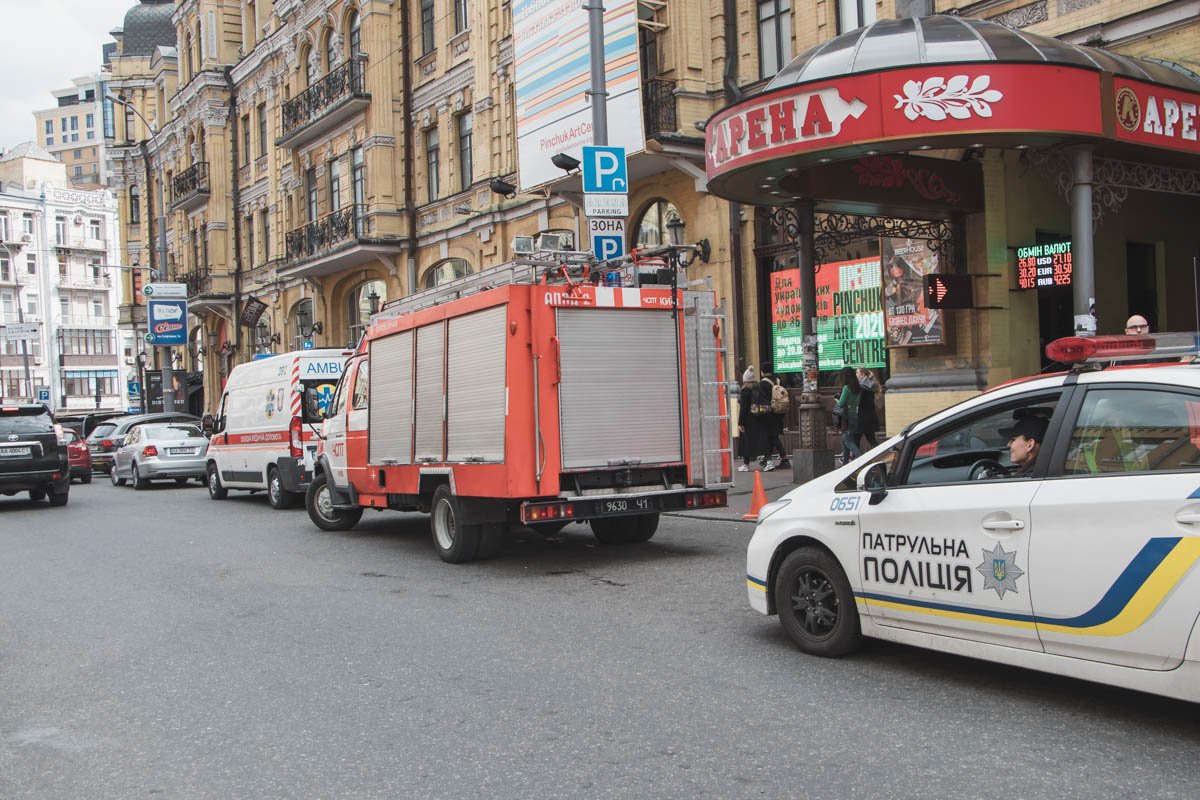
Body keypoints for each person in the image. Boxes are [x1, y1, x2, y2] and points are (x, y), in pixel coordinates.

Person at [737, 367, 771, 471]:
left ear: (745, 380)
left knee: (746, 442)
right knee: (763, 441)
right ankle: (769, 462)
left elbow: (743, 408)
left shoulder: (745, 391)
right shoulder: (759, 387)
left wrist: (740, 423)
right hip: (761, 418)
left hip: (748, 420)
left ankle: (746, 464)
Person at [761, 373, 790, 469]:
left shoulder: (763, 384)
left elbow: (763, 400)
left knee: (772, 437)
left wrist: (760, 414)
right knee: (773, 437)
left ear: (762, 372)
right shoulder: (777, 381)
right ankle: (767, 458)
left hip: (769, 415)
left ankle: (783, 458)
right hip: (779, 414)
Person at [834, 366, 862, 464]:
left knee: (849, 441)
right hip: (855, 416)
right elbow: (857, 402)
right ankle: (845, 464)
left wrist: (837, 400)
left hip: (846, 418)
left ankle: (862, 460)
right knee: (845, 441)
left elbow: (841, 403)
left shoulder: (846, 388)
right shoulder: (858, 388)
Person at [855, 367, 881, 451]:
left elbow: (858, 402)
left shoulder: (862, 388)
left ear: (862, 374)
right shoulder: (869, 386)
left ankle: (856, 459)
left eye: (857, 373)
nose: (856, 375)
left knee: (855, 440)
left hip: (862, 418)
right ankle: (879, 455)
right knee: (871, 439)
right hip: (870, 417)